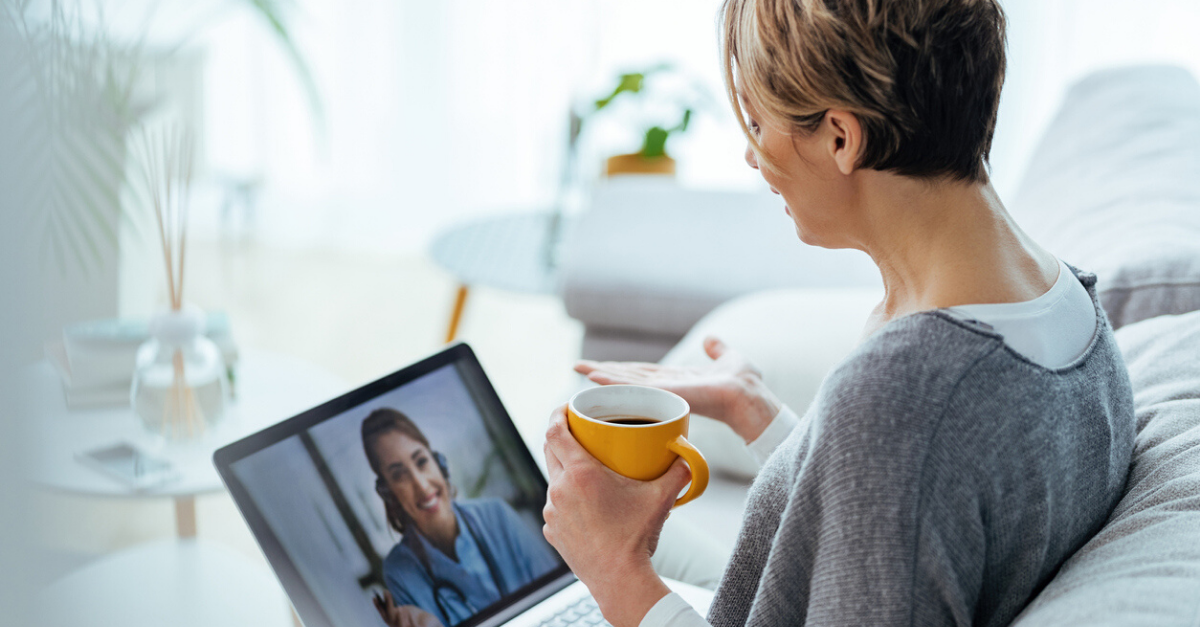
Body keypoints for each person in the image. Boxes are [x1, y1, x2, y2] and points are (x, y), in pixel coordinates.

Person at [541, 1, 1135, 627]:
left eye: (755, 121)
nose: (751, 155)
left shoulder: (905, 399)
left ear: (841, 138)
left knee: (546, 507)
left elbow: (908, 451)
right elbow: (902, 519)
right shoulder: (1067, 304)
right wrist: (763, 416)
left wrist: (616, 572)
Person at [362, 408, 560, 627]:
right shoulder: (399, 571)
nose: (421, 485)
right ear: (388, 493)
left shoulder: (496, 514)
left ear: (438, 462)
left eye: (421, 462)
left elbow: (558, 591)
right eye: (399, 475)